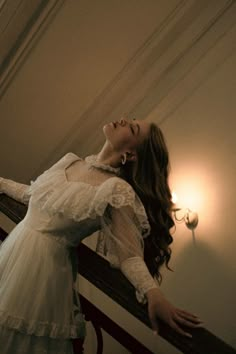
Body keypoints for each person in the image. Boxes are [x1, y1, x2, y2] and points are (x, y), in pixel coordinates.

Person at [0, 118, 202, 353]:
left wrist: (153, 293)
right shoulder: (70, 161)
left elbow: (128, 255)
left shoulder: (116, 190)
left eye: (133, 128)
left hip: (42, 275)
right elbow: (32, 196)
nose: (124, 120)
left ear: (131, 154)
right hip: (13, 252)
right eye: (131, 118)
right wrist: (2, 183)